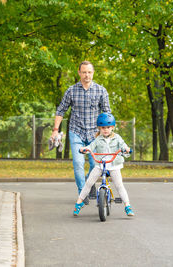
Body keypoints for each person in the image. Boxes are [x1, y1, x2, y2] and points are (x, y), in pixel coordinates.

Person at [51, 61, 111, 204]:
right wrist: (55, 130)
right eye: (84, 72)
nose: (87, 75)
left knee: (95, 165)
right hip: (76, 131)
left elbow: (107, 113)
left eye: (89, 72)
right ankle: (82, 193)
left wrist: (108, 132)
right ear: (79, 73)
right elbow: (61, 110)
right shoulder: (71, 91)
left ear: (93, 73)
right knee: (78, 163)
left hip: (94, 135)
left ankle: (87, 182)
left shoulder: (101, 90)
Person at [73, 112, 135, 217]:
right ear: (99, 128)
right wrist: (84, 149)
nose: (105, 129)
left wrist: (126, 149)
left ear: (113, 127)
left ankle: (127, 205)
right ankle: (79, 202)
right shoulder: (98, 139)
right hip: (100, 164)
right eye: (102, 128)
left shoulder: (117, 138)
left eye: (108, 127)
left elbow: (124, 146)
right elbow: (91, 147)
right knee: (89, 182)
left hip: (114, 165)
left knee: (119, 185)